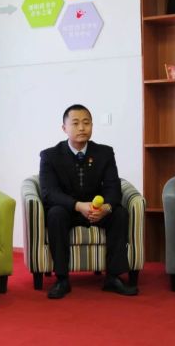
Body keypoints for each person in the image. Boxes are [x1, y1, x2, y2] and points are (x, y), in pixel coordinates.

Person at [39, 104, 138, 299]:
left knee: (119, 213)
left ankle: (113, 277)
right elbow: (49, 192)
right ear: (64, 128)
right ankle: (62, 279)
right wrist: (77, 206)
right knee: (55, 214)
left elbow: (113, 186)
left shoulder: (105, 153)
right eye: (75, 123)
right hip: (68, 210)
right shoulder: (50, 155)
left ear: (92, 125)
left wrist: (106, 208)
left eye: (86, 123)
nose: (82, 128)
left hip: (96, 209)